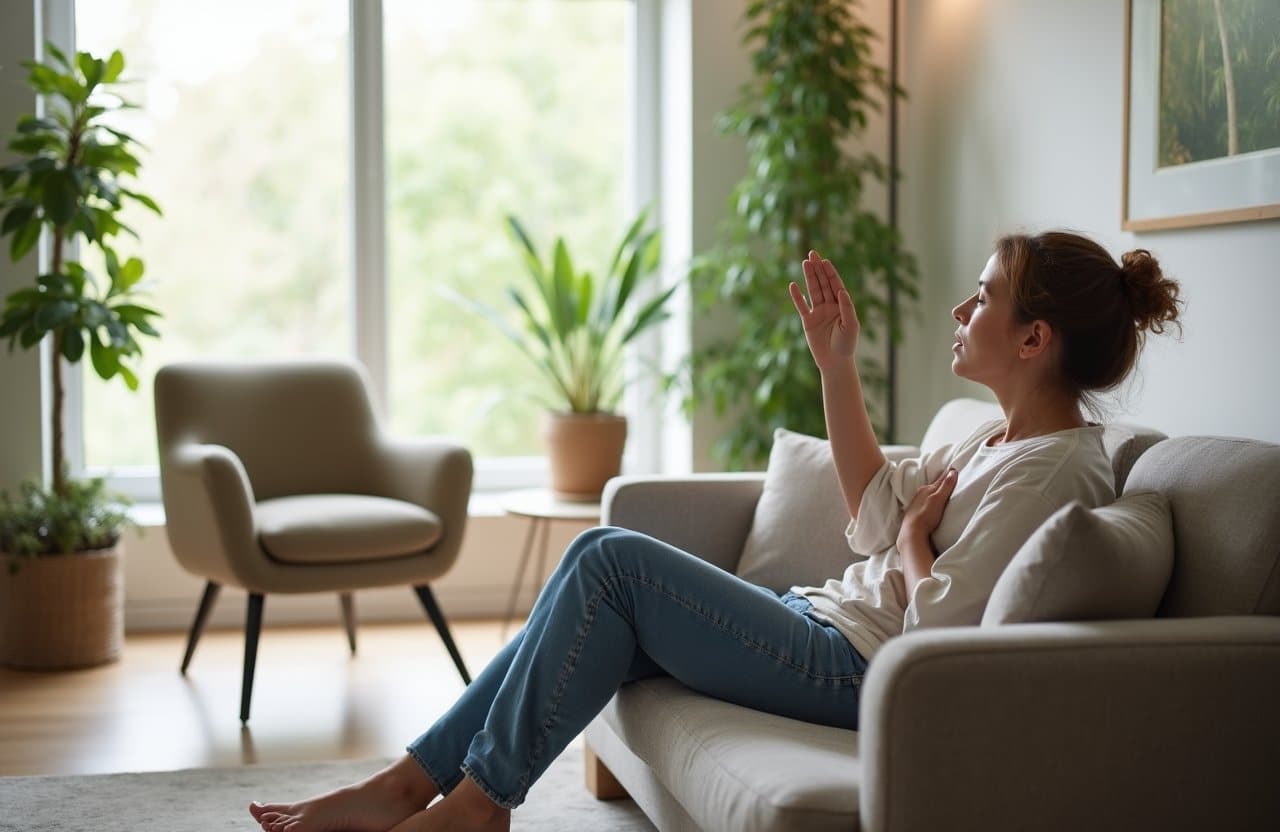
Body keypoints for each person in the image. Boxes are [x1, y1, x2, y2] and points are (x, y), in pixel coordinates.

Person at [249, 231, 1182, 832]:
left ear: (1033, 339)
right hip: (824, 626)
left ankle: (477, 804)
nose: (960, 309)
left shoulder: (1056, 468)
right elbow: (873, 510)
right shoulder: (996, 435)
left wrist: (910, 548)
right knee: (594, 566)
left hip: (859, 669)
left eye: (983, 296)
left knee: (610, 561)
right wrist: (837, 367)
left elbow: (934, 632)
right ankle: (408, 787)